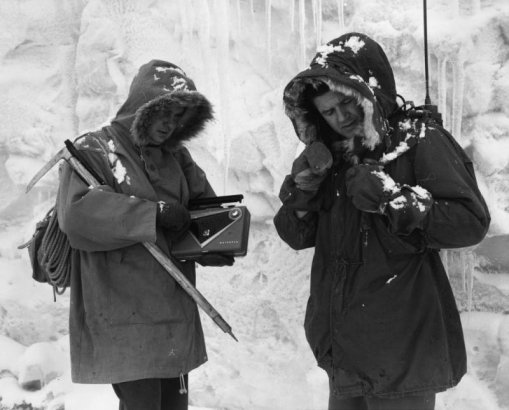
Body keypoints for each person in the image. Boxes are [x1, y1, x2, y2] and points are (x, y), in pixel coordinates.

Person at [273, 32, 490, 410]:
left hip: (402, 345)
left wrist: (393, 199)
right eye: (327, 111)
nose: (340, 118)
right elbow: (295, 234)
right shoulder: (333, 155)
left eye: (346, 103)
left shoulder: (418, 138)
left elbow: (470, 221)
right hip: (343, 343)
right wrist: (304, 191)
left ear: (368, 92)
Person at [57, 60, 234, 410]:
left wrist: (214, 242)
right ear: (142, 104)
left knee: (174, 406)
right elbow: (76, 215)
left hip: (172, 310)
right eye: (165, 112)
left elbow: (204, 209)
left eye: (180, 116)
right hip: (121, 314)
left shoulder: (176, 157)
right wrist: (152, 214)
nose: (171, 124)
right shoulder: (95, 149)